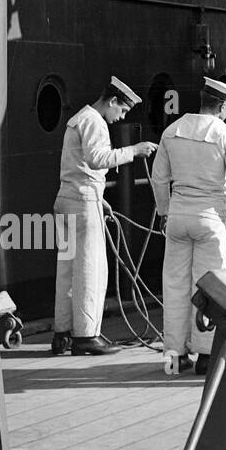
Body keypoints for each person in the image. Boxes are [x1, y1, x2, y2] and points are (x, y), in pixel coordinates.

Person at [50, 77, 157, 356]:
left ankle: (62, 334)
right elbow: (98, 159)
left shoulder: (77, 118)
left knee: (67, 271)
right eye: (121, 111)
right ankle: (87, 335)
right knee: (91, 270)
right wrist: (134, 151)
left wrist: (101, 201)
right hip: (83, 202)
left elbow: (81, 166)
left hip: (67, 199)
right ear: (112, 101)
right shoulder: (95, 120)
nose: (119, 118)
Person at [151, 77, 226, 375]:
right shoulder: (225, 135)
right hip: (209, 220)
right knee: (208, 287)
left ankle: (174, 356)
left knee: (175, 286)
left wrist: (165, 211)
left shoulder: (172, 131)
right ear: (222, 106)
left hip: (178, 217)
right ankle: (206, 355)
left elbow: (158, 179)